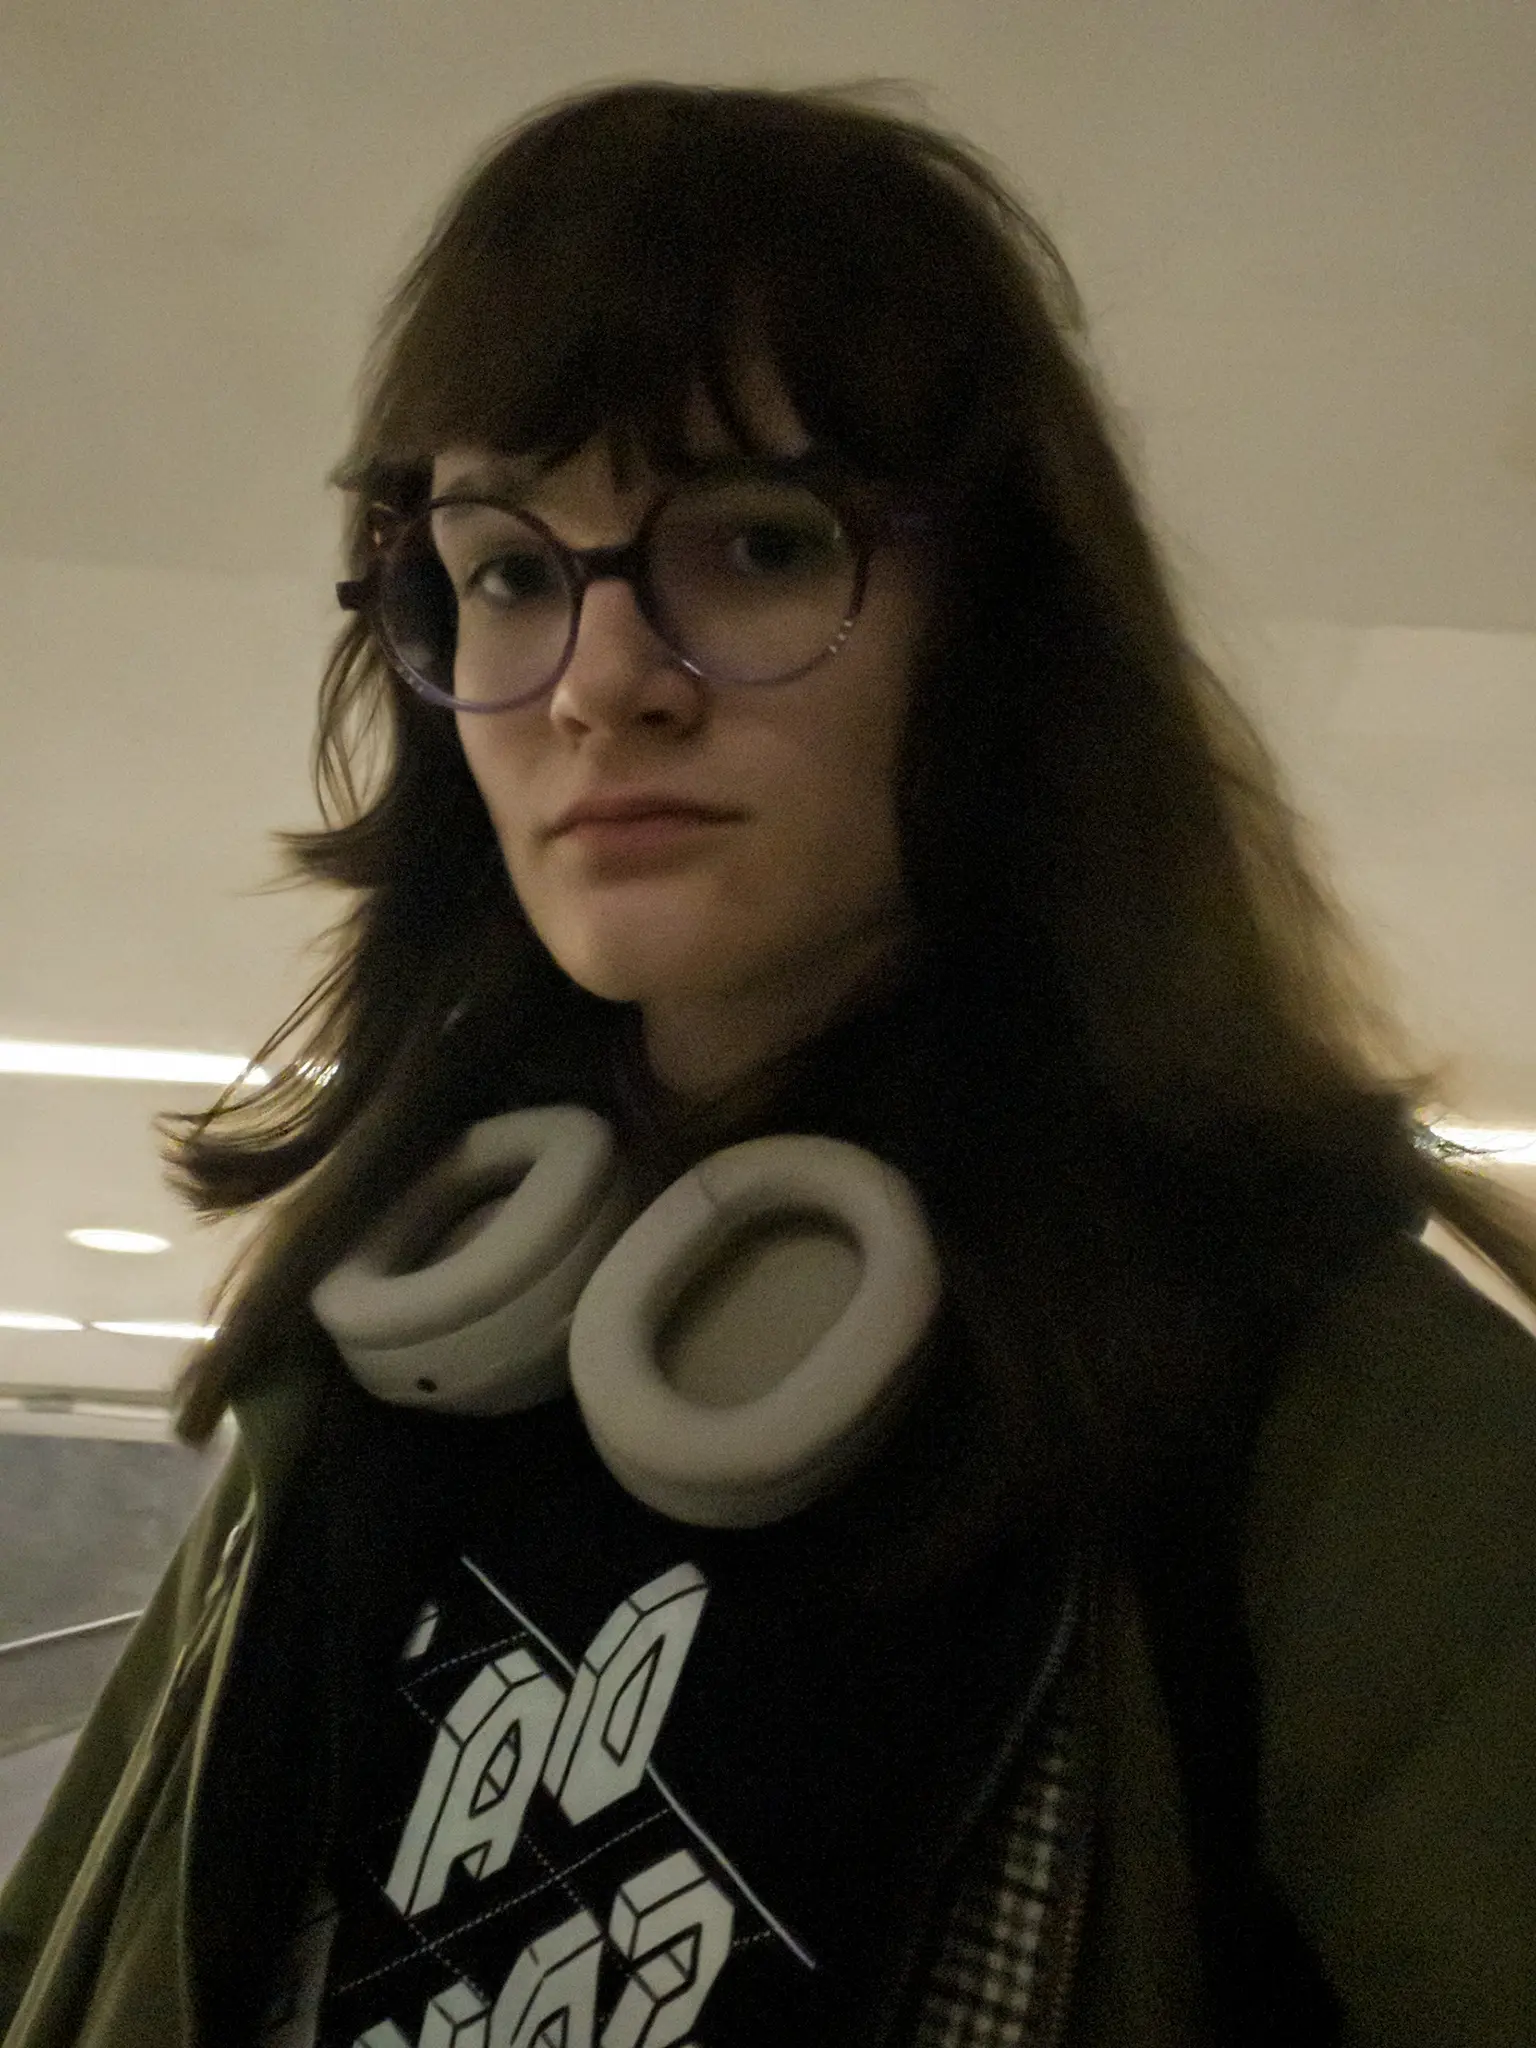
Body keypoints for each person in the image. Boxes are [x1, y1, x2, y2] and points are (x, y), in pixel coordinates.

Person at [2, 79, 1534, 2048]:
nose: (600, 678)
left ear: (996, 632)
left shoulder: (1333, 1411)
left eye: (754, 543)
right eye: (508, 567)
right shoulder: (383, 1342)